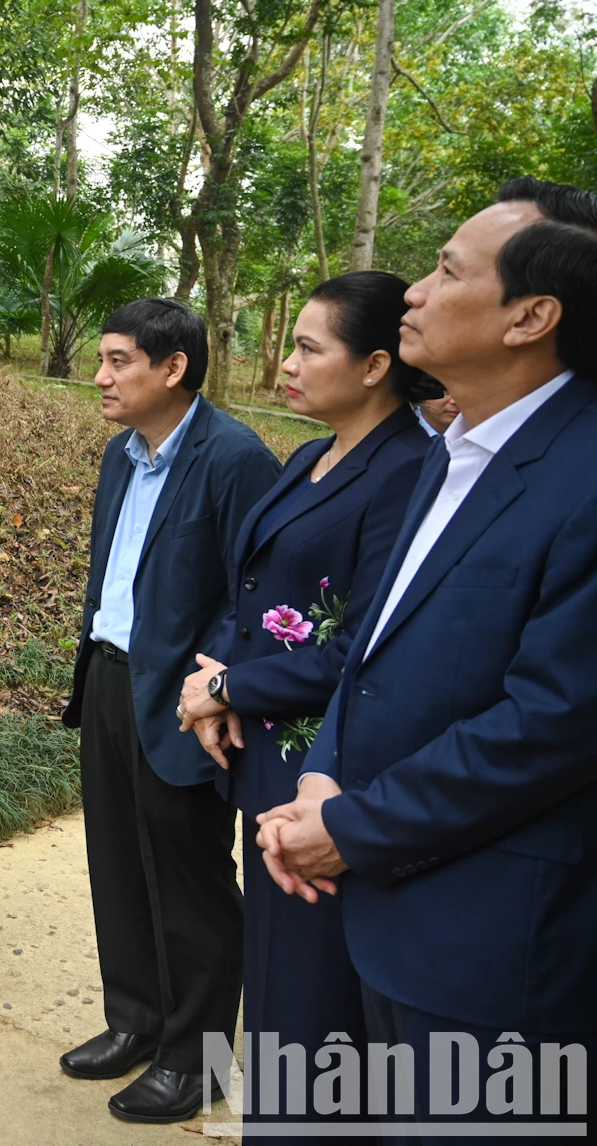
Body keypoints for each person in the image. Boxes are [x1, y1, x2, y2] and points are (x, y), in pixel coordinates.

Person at [259, 178, 597, 1123]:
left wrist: (353, 829)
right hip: (380, 912)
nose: (411, 289)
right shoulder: (452, 455)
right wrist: (323, 779)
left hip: (491, 952)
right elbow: (370, 648)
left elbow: (553, 723)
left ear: (531, 315)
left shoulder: (581, 475)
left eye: (446, 270)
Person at [174, 273, 437, 1134]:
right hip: (266, 756)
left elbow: (361, 644)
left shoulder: (408, 472)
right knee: (281, 987)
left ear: (373, 365)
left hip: (324, 774)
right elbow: (253, 592)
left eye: (307, 348)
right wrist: (216, 676)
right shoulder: (307, 455)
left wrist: (227, 685)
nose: (285, 364)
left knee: (314, 1005)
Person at [57, 297, 280, 1123]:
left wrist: (217, 683)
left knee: (191, 884)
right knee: (117, 867)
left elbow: (251, 590)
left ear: (173, 368)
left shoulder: (235, 459)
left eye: (117, 361)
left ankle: (199, 1062)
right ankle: (136, 1023)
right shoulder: (124, 453)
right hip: (112, 678)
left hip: (186, 700)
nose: (100, 376)